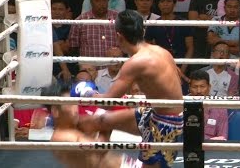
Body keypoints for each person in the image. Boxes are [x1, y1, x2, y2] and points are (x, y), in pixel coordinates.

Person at [75, 10, 184, 168]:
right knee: (98, 122)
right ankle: (96, 161)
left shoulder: (135, 62)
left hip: (167, 124)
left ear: (119, 36)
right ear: (142, 31)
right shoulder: (161, 51)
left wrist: (87, 92)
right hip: (154, 112)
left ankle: (121, 164)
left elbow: (108, 103)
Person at [41, 83, 143, 168]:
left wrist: (105, 107)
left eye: (75, 102)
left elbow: (102, 120)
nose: (75, 107)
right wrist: (106, 124)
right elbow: (100, 150)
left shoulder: (75, 124)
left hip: (127, 163)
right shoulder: (62, 137)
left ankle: (149, 117)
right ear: (55, 111)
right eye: (70, 104)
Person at [188, 70, 228, 140]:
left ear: (209, 87)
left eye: (202, 86)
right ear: (189, 87)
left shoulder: (220, 107)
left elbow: (222, 137)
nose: (199, 91)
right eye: (195, 87)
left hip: (211, 148)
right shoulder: (180, 105)